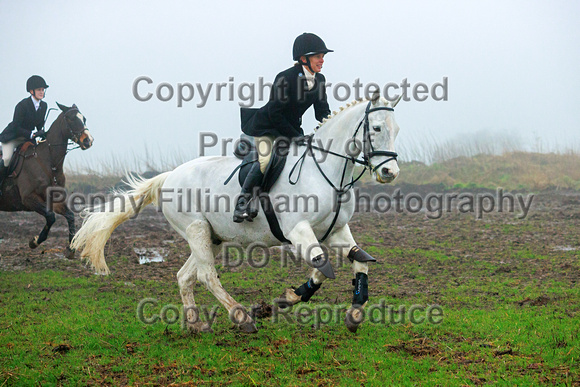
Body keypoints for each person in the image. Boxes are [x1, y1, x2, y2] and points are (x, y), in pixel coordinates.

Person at [233, 33, 333, 222]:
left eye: (323, 57)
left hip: (291, 129)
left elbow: (322, 112)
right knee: (265, 160)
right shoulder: (285, 78)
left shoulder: (319, 80)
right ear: (304, 59)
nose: (322, 60)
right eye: (318, 56)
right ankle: (241, 204)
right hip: (267, 128)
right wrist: (295, 136)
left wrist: (333, 125)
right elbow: (275, 113)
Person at [0, 75, 49, 190]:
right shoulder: (22, 106)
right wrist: (31, 134)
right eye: (39, 90)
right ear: (32, 91)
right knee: (6, 159)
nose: (42, 92)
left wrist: (42, 133)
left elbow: (39, 125)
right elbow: (16, 127)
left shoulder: (43, 105)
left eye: (42, 90)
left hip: (27, 139)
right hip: (12, 138)